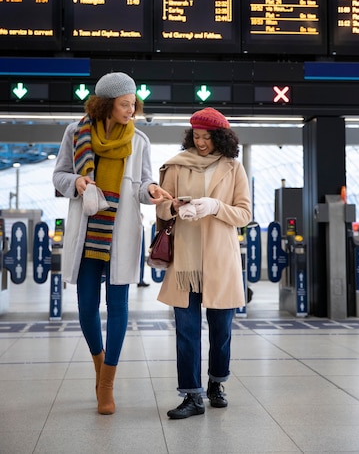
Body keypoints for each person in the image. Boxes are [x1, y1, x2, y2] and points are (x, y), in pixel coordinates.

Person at [52, 72, 171, 415]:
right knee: (87, 308)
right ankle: (98, 363)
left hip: (121, 233)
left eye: (134, 103)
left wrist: (150, 190)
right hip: (87, 233)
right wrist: (75, 181)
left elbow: (143, 183)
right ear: (106, 104)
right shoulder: (75, 134)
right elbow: (59, 175)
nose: (131, 109)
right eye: (124, 103)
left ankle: (107, 384)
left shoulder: (140, 141)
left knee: (118, 307)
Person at [156, 107, 252, 419]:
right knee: (186, 331)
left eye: (206, 138)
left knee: (221, 330)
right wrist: (174, 209)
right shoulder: (176, 165)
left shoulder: (233, 168)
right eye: (196, 136)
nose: (200, 143)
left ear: (220, 138)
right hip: (184, 260)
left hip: (219, 260)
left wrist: (214, 206)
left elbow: (244, 214)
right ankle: (192, 396)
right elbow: (160, 209)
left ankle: (216, 384)